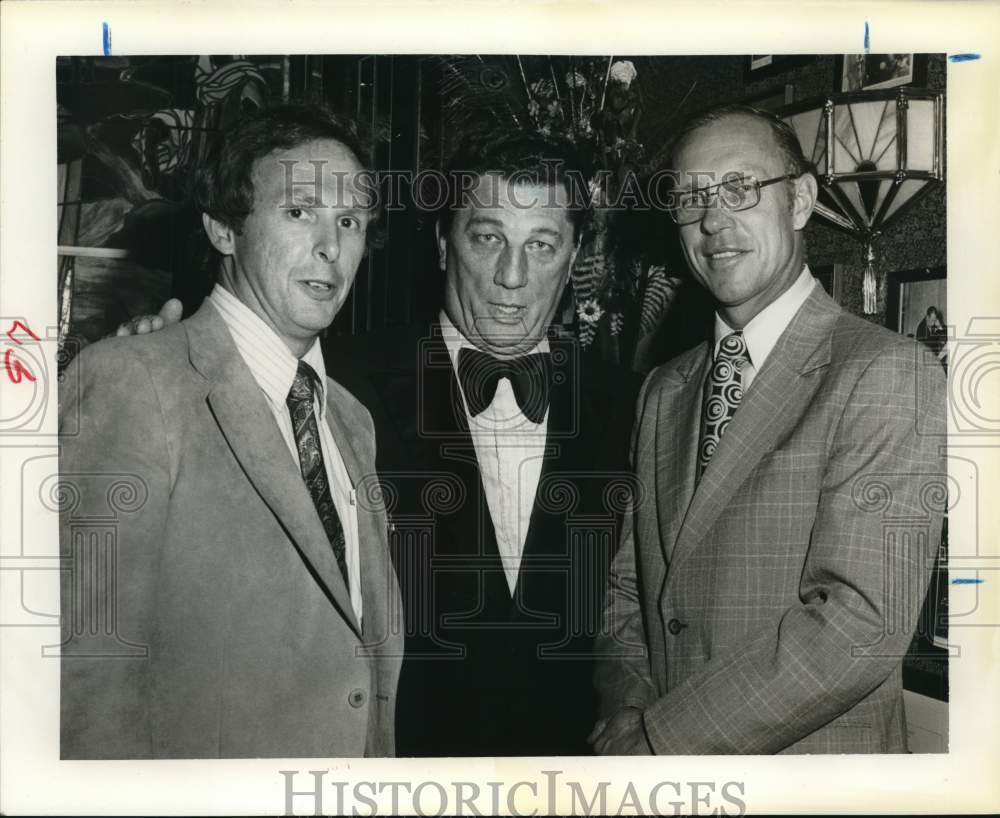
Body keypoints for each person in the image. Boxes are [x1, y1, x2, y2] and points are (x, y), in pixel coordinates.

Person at [125, 132, 639, 756]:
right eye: (487, 237)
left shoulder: (635, 404)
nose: (512, 275)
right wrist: (158, 352)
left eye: (541, 243)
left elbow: (637, 607)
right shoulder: (323, 376)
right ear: (444, 244)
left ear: (577, 252)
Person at [590, 104, 947, 755]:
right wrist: (626, 713)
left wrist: (658, 740)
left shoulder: (886, 372)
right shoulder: (664, 388)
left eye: (740, 188)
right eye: (692, 196)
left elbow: (859, 625)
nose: (713, 220)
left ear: (802, 201)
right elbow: (628, 591)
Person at [59, 105, 402, 759]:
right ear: (222, 226)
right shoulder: (133, 382)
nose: (332, 247)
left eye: (351, 221)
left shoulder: (351, 420)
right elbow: (86, 681)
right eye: (300, 212)